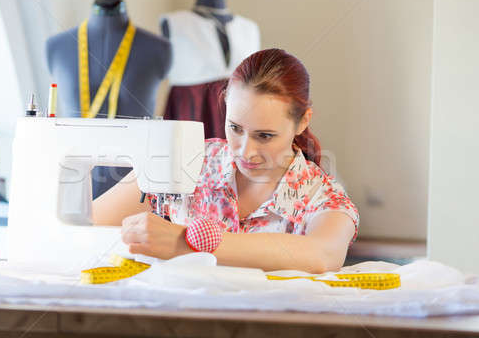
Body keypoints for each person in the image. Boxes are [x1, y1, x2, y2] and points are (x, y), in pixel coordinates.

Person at [92, 48, 359, 274]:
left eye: (264, 136)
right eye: (235, 128)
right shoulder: (188, 161)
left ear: (303, 121)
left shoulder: (323, 197)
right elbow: (89, 222)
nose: (245, 151)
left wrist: (184, 243)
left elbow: (323, 254)